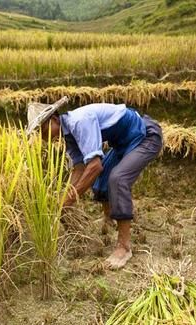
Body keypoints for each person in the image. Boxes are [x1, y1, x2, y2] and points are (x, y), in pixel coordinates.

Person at [26, 96, 163, 269]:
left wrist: (68, 200)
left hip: (145, 136)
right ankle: (109, 219)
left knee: (118, 178)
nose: (43, 137)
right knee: (102, 178)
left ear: (54, 119)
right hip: (124, 144)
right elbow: (80, 168)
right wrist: (63, 199)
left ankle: (124, 247)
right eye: (38, 134)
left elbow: (94, 166)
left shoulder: (79, 122)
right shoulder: (69, 135)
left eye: (43, 130)